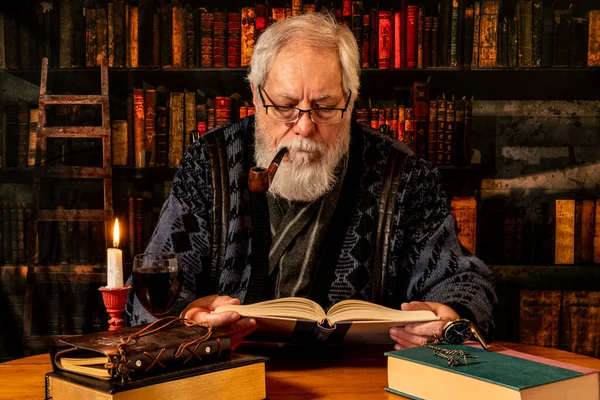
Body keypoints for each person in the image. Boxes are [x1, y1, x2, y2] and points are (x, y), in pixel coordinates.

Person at [126, 12, 496, 351]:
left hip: (363, 384)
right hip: (228, 375)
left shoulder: (404, 175)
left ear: (350, 102)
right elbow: (150, 292)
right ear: (256, 95)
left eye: (325, 107)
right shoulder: (208, 163)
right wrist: (188, 321)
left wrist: (450, 320)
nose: (304, 127)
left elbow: (467, 284)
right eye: (285, 106)